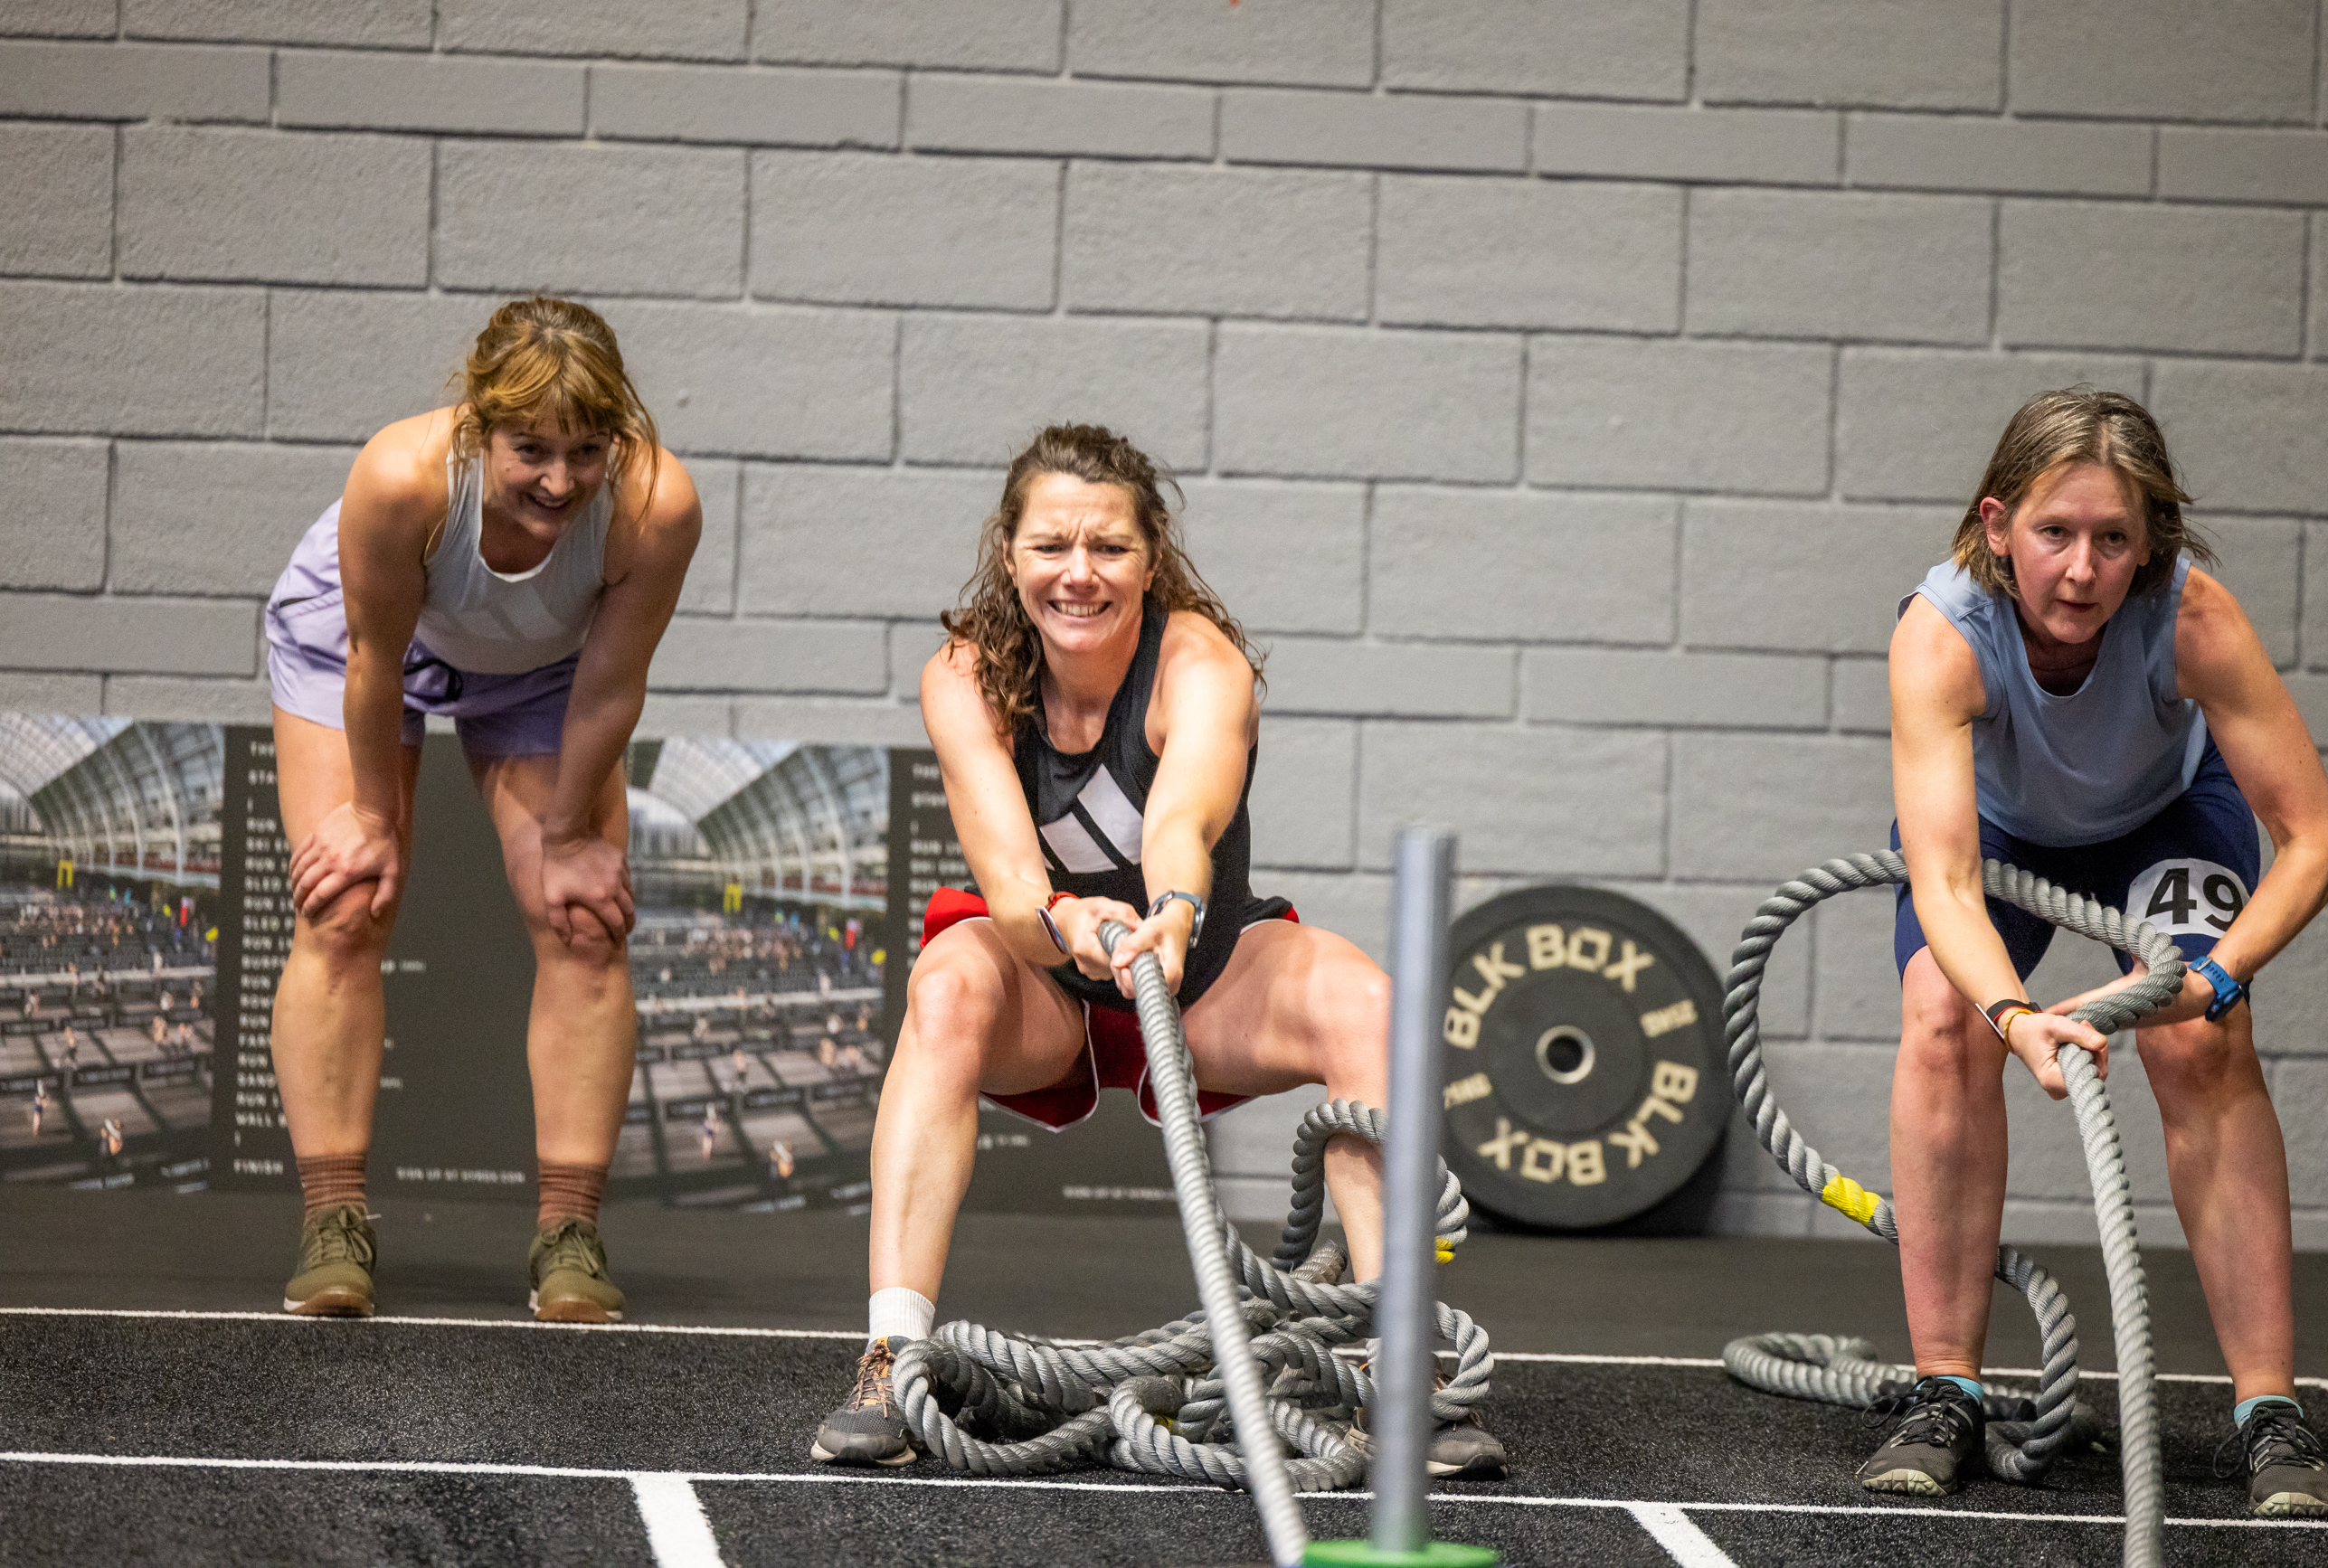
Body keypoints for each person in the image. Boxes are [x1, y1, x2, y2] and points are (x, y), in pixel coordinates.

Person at [809, 424, 1507, 1477]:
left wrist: (1170, 911)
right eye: (1050, 547)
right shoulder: (964, 677)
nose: (1077, 575)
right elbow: (1004, 873)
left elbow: (1181, 818)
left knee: (1368, 1004)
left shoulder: (1200, 663)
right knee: (945, 987)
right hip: (1047, 975)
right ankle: (890, 1359)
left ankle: (1399, 1369)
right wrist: (1064, 924)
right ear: (1008, 554)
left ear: (1150, 558)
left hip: (1203, 970)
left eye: (1108, 549)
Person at [1872, 389, 2328, 1517]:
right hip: (1996, 834)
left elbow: (2315, 835)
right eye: (2052, 533)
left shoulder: (2189, 619)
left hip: (2162, 820)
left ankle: (2267, 1412)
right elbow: (1941, 878)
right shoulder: (1939, 634)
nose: (2080, 569)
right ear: (1996, 526)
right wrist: (2009, 1015)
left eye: (2111, 539)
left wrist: (2218, 977)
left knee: (2200, 1044)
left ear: (2148, 545)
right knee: (1941, 1019)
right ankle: (1946, 1391)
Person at [264, 296, 700, 1323]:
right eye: (530, 449)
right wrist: (372, 818)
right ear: (476, 425)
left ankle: (570, 1231)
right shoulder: (403, 477)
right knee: (348, 900)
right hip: (362, 645)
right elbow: (375, 665)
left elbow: (609, 685)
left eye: (586, 450)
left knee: (581, 918)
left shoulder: (655, 505)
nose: (558, 481)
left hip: (544, 673)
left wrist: (565, 838)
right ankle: (333, 1222)